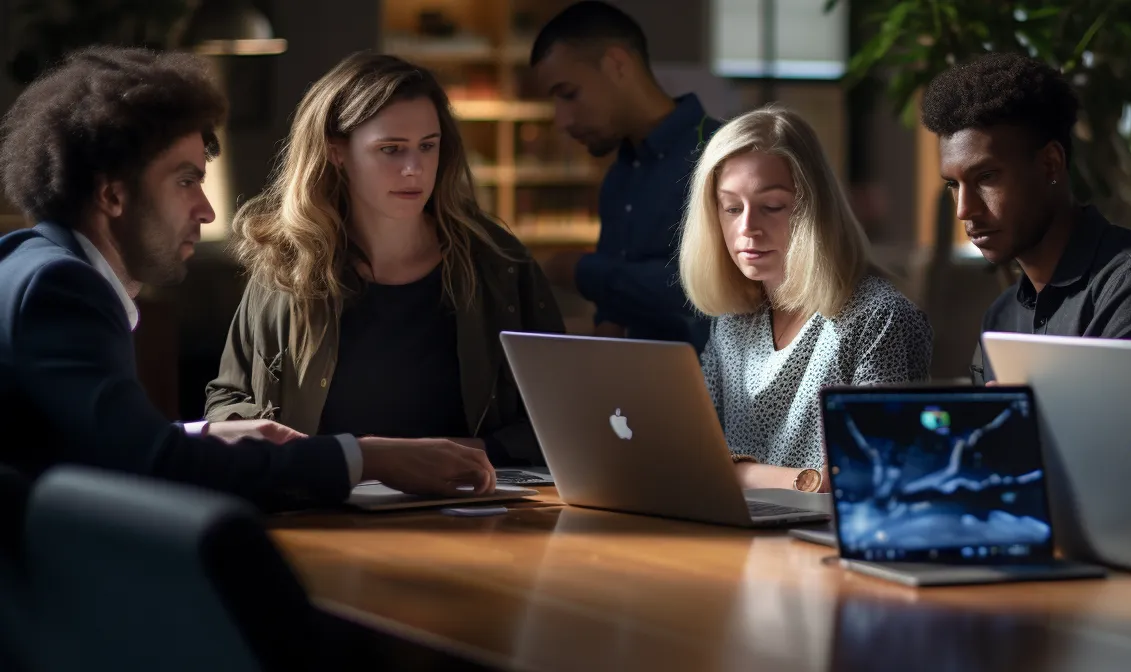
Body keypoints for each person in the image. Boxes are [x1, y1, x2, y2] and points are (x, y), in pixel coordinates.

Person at [0, 46, 493, 510]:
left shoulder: (28, 264)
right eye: (186, 180)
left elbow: (105, 440)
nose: (208, 210)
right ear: (112, 196)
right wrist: (366, 457)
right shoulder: (62, 290)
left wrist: (204, 433)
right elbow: (150, 465)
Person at [205, 52, 564, 468]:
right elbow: (227, 398)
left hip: (475, 507)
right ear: (337, 152)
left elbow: (564, 410)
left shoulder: (497, 261)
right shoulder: (288, 266)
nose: (414, 168)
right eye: (391, 149)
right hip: (325, 510)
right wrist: (307, 456)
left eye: (427, 146)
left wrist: (471, 454)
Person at [920, 53, 1131, 385]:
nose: (964, 209)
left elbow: (1129, 433)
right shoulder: (1002, 316)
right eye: (953, 185)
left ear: (1050, 164)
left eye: (986, 177)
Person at [681, 106, 932, 492]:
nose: (747, 227)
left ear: (814, 207)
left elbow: (874, 473)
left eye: (772, 206)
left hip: (829, 543)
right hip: (736, 533)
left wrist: (742, 474)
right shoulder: (734, 321)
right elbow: (696, 449)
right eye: (731, 208)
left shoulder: (879, 317)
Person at [531, 1, 722, 348]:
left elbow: (709, 288)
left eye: (569, 94)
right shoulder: (618, 178)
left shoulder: (721, 153)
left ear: (617, 64)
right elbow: (615, 314)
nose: (561, 121)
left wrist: (579, 270)